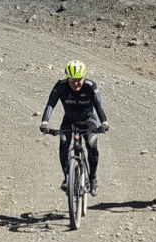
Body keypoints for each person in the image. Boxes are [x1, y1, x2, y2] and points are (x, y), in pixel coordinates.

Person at [40, 60, 110, 195]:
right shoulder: (60, 86)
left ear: (84, 77)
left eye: (79, 80)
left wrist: (104, 123)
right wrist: (45, 123)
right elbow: (50, 105)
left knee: (91, 145)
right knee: (64, 143)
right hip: (70, 120)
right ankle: (67, 177)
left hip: (89, 120)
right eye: (72, 80)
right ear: (67, 78)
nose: (76, 84)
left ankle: (93, 178)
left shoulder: (91, 86)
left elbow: (99, 107)